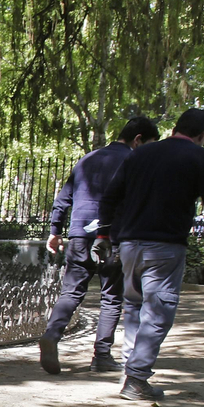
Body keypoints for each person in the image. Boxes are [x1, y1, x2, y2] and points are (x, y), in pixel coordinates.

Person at [98, 107, 204, 401]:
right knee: (158, 313)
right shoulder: (201, 158)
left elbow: (111, 195)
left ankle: (130, 370)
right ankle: (135, 379)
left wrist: (103, 234)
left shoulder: (140, 154)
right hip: (165, 246)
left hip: (129, 244)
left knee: (134, 307)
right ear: (203, 134)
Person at [38, 117, 160, 375]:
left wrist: (55, 231)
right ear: (138, 139)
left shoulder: (88, 159)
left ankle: (51, 334)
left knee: (71, 292)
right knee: (111, 297)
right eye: (149, 144)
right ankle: (102, 356)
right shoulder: (134, 161)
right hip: (111, 236)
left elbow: (63, 199)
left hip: (79, 235)